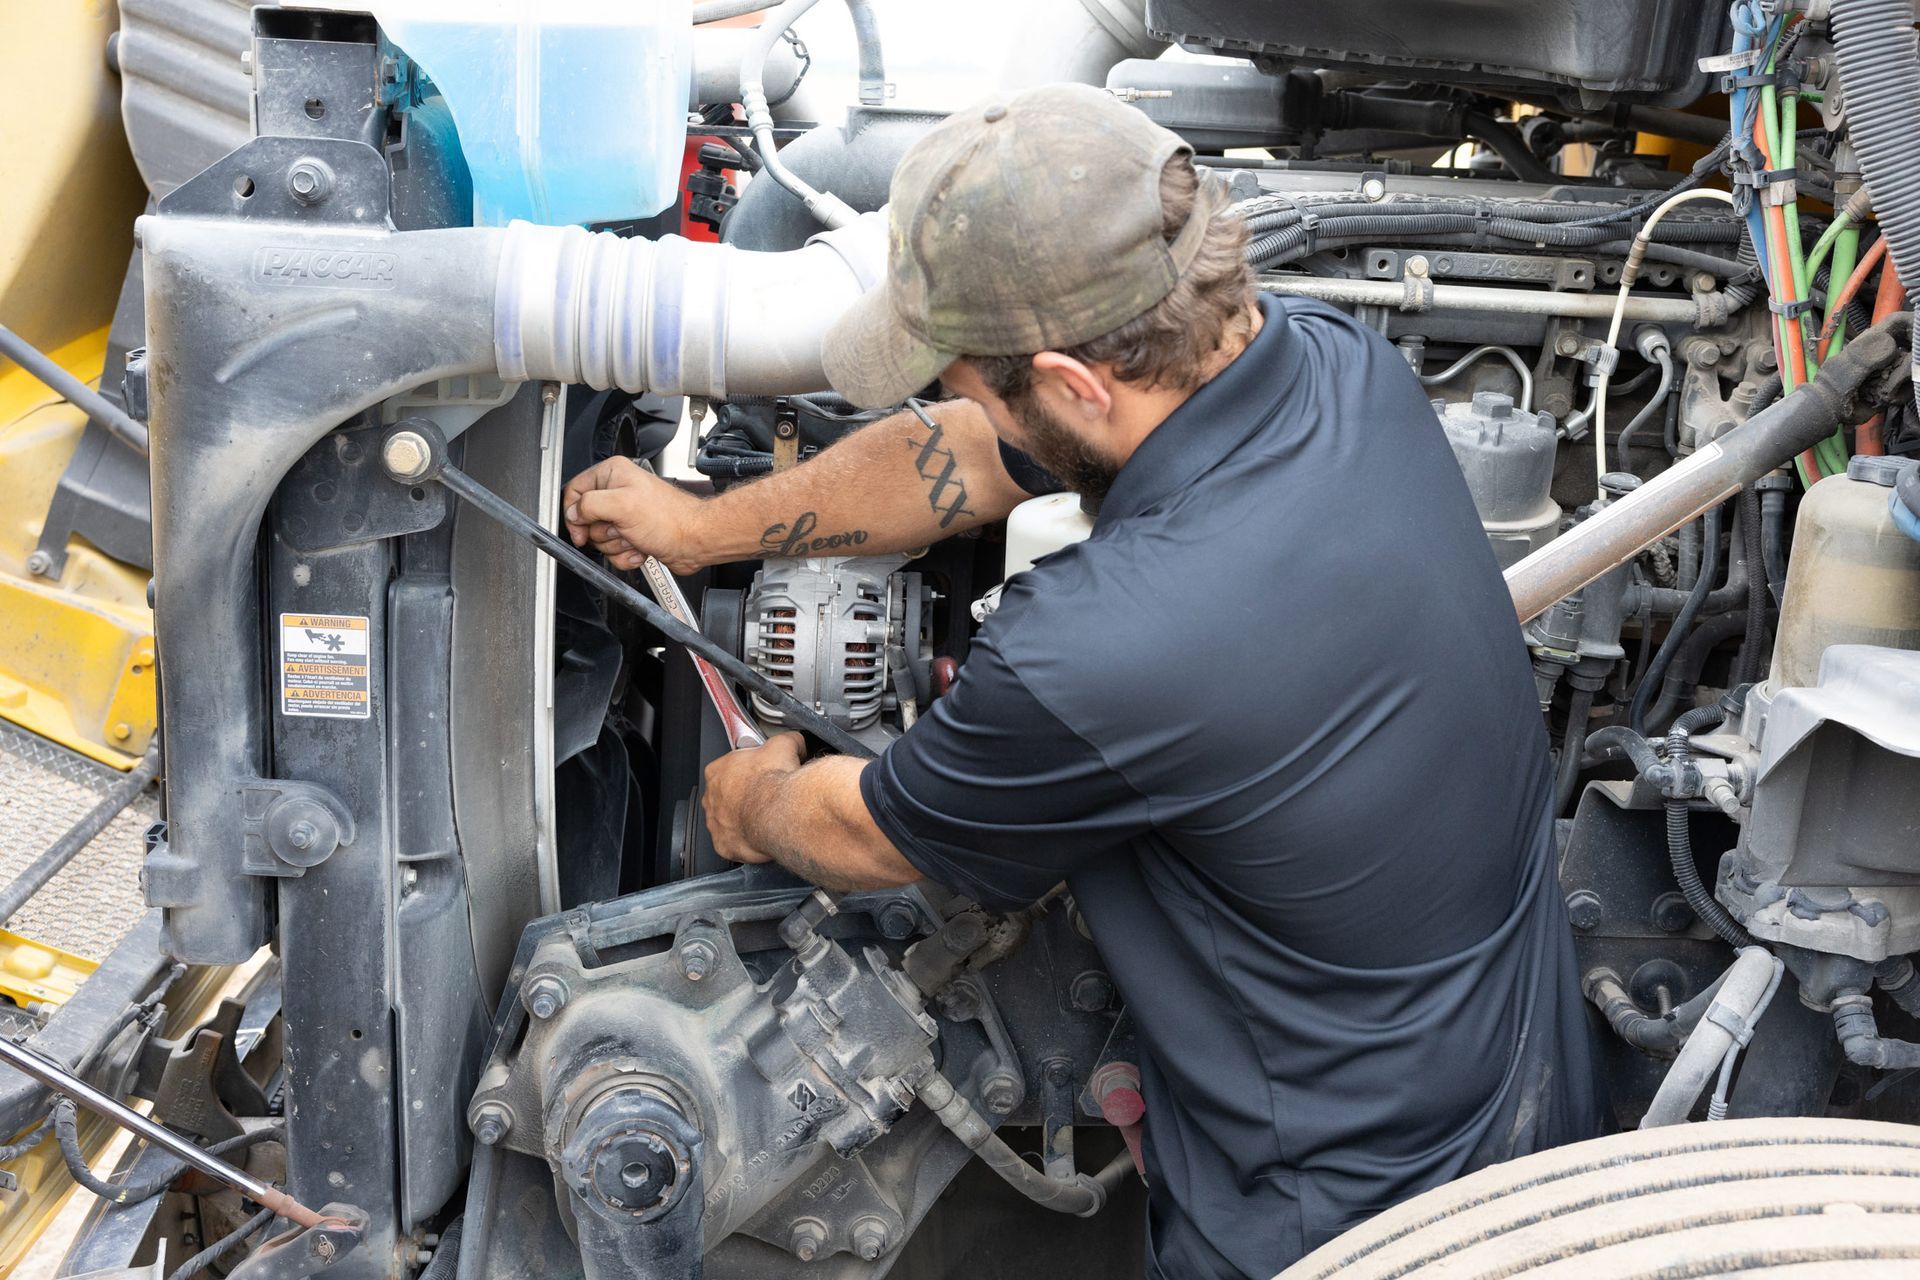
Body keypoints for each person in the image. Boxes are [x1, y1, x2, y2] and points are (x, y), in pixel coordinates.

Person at [561, 82, 1603, 1279]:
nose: (950, 392)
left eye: (957, 370)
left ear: (1076, 380)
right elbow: (969, 454)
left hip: (1344, 1230)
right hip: (1522, 1105)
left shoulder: (1106, 648)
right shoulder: (1337, 368)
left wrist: (749, 801)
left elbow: (864, 833)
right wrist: (705, 532)